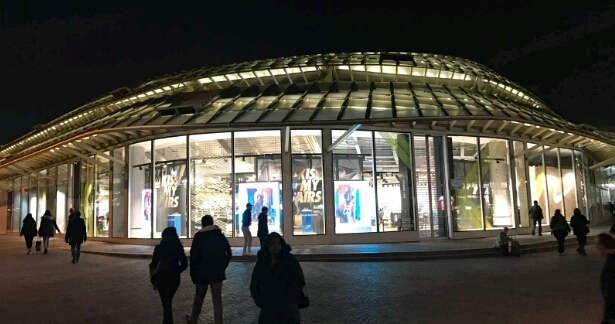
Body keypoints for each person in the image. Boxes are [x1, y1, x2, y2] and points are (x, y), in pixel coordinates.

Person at [250, 232, 305, 324]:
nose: (276, 246)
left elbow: (299, 280)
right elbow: (255, 283)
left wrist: (291, 299)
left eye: (278, 243)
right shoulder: (262, 261)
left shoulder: (289, 260)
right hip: (268, 306)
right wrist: (260, 301)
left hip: (287, 306)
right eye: (273, 243)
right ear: (267, 246)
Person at [186, 215, 232, 324]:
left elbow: (193, 257)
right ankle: (218, 322)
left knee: (198, 299)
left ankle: (194, 320)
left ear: (202, 223)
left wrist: (193, 273)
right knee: (217, 301)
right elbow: (228, 252)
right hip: (217, 273)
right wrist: (222, 266)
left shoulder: (199, 237)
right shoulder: (219, 235)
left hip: (202, 273)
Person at [149, 227, 187, 324]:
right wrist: (176, 271)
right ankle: (168, 320)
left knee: (165, 302)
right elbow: (184, 264)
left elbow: (153, 264)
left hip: (161, 277)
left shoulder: (159, 248)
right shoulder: (178, 247)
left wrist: (153, 278)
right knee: (168, 301)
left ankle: (167, 320)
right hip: (174, 278)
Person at [596, 232, 615, 324]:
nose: (597, 248)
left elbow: (610, 289)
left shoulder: (612, 263)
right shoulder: (610, 259)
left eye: (598, 245)